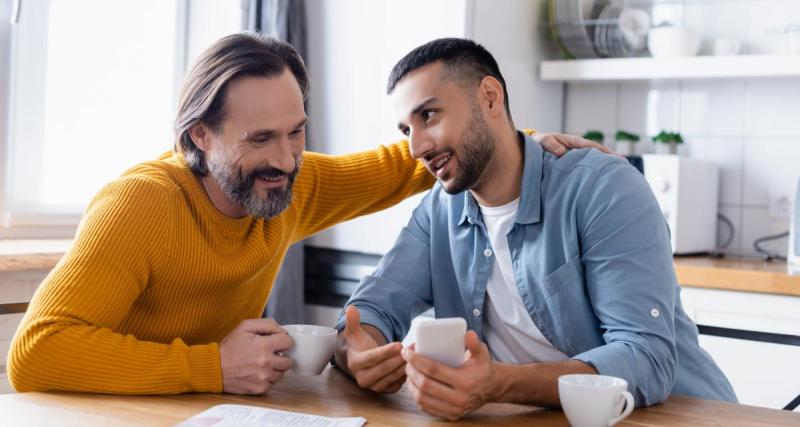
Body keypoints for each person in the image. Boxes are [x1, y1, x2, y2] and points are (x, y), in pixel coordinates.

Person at [8, 33, 594, 395]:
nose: (286, 160)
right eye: (261, 139)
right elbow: (36, 351)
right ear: (201, 136)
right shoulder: (141, 205)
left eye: (296, 132)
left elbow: (407, 161)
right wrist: (211, 366)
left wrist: (524, 140)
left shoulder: (292, 182)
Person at [334, 37, 737, 421]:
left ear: (490, 97)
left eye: (429, 115)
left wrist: (497, 383)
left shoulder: (603, 188)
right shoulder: (439, 211)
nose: (416, 148)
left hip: (674, 417)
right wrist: (357, 352)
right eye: (406, 130)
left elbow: (646, 359)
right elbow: (371, 309)